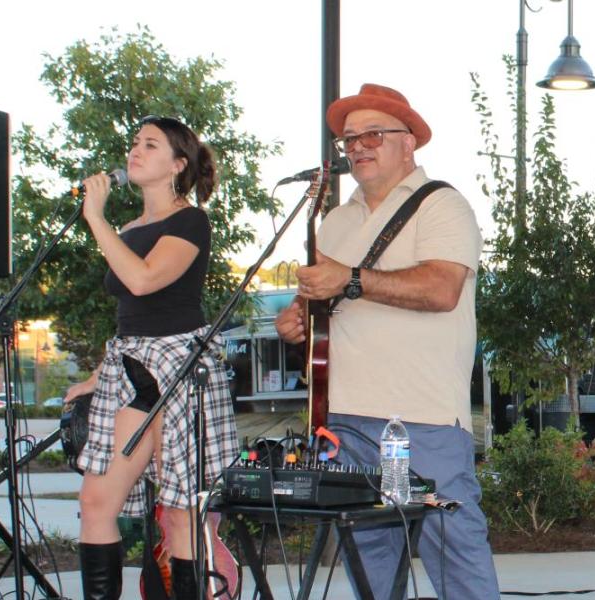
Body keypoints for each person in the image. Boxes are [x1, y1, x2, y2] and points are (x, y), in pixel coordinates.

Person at [274, 83, 498, 600]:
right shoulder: (335, 221)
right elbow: (316, 304)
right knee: (369, 555)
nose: (358, 146)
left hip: (424, 415)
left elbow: (441, 289)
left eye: (373, 134)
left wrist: (351, 278)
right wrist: (297, 320)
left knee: (454, 548)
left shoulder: (442, 205)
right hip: (345, 417)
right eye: (349, 138)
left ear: (408, 141)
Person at [69, 116, 239, 600]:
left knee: (182, 512)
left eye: (150, 144)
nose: (135, 151)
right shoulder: (128, 228)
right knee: (96, 501)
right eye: (134, 143)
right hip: (132, 366)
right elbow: (129, 310)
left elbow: (144, 280)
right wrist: (97, 375)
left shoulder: (190, 221)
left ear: (177, 165)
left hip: (178, 364)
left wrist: (95, 219)